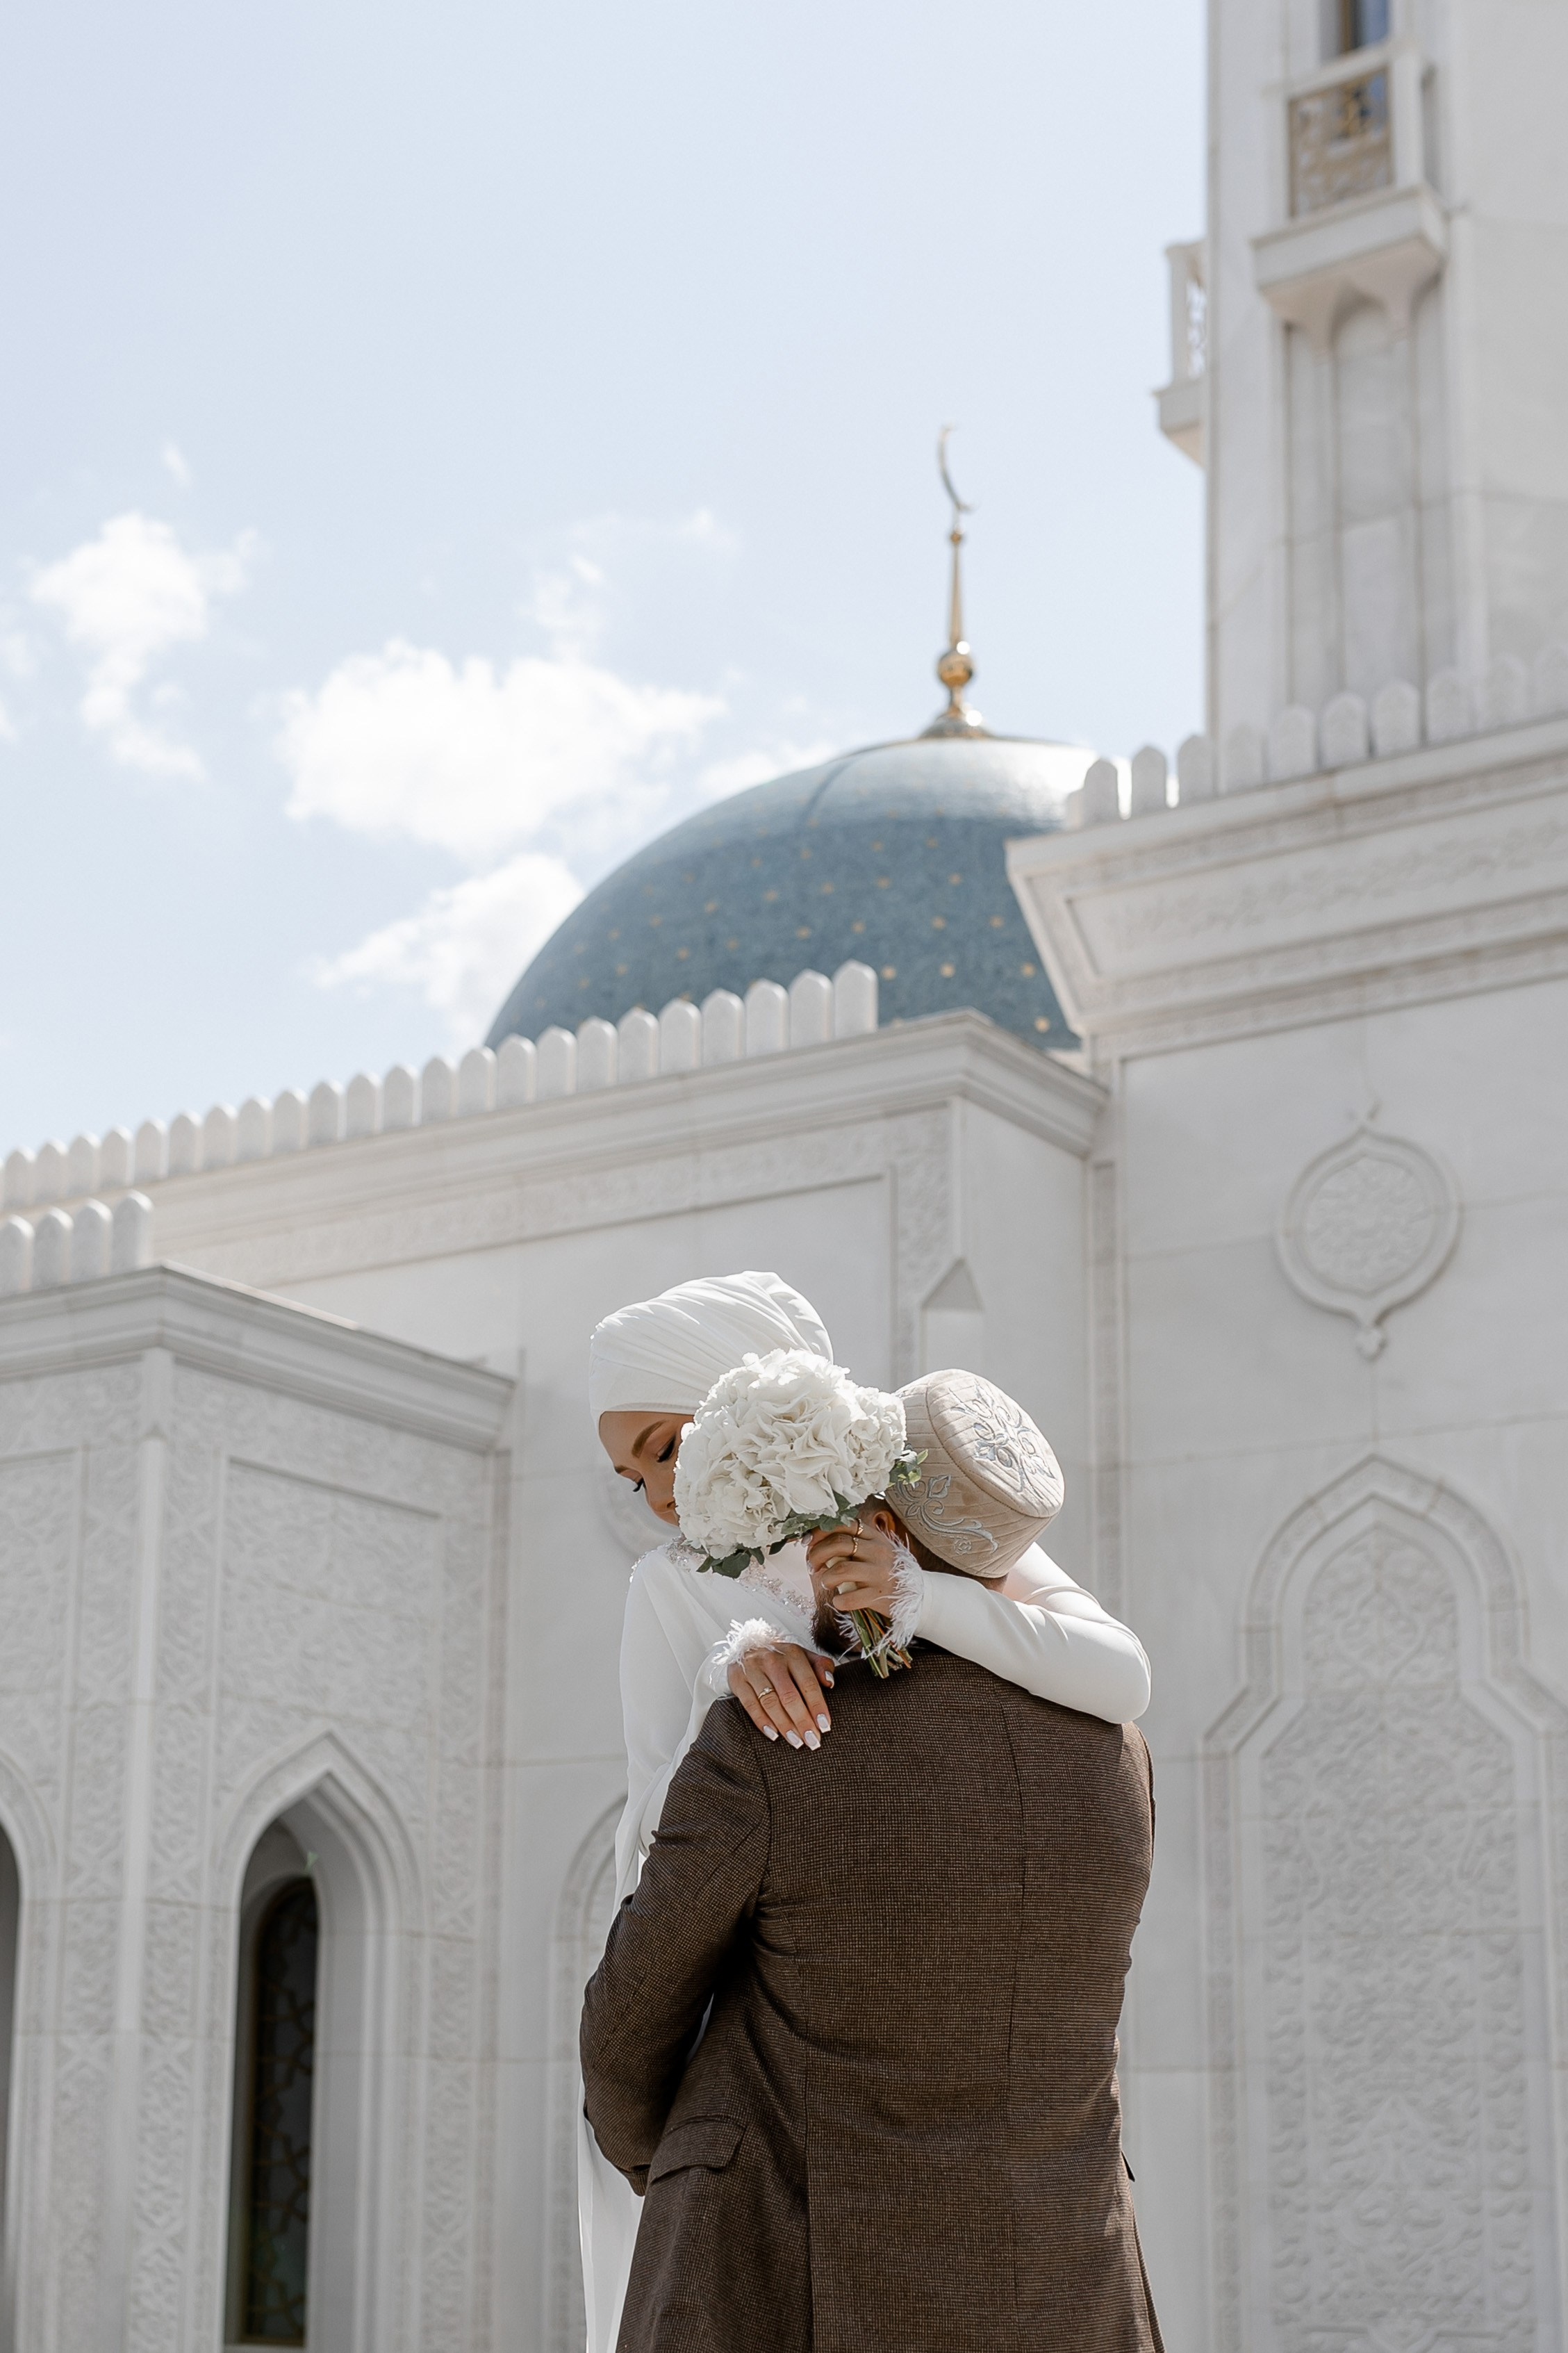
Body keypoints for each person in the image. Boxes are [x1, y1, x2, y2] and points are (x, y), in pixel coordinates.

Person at [581, 1272, 1152, 2353]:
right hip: (1060, 2256)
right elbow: (656, 1818)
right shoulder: (669, 1585)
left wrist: (919, 1595)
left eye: (663, 1446)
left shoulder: (936, 1526)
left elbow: (1119, 1668)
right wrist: (733, 1666)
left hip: (791, 2238)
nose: (656, 1492)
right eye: (629, 1473)